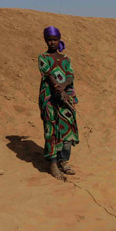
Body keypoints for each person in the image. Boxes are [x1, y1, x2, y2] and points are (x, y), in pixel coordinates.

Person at [38, 26, 79, 179]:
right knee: (51, 129)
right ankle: (53, 163)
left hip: (65, 97)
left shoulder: (65, 59)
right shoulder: (43, 57)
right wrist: (57, 87)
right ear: (46, 41)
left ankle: (63, 160)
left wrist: (64, 87)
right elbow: (48, 74)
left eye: (55, 40)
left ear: (59, 40)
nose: (53, 42)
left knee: (67, 128)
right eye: (50, 40)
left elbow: (70, 75)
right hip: (49, 98)